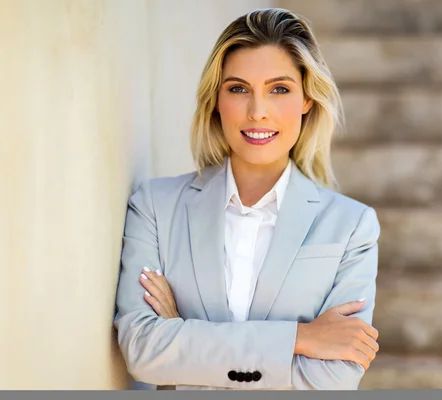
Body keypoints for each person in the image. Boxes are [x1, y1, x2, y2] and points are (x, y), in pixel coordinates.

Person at [113, 7, 380, 390]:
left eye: (280, 89)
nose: (258, 112)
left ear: (307, 98)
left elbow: (333, 379)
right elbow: (143, 350)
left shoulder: (352, 227)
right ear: (216, 101)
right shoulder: (155, 206)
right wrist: (300, 338)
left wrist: (183, 337)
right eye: (238, 89)